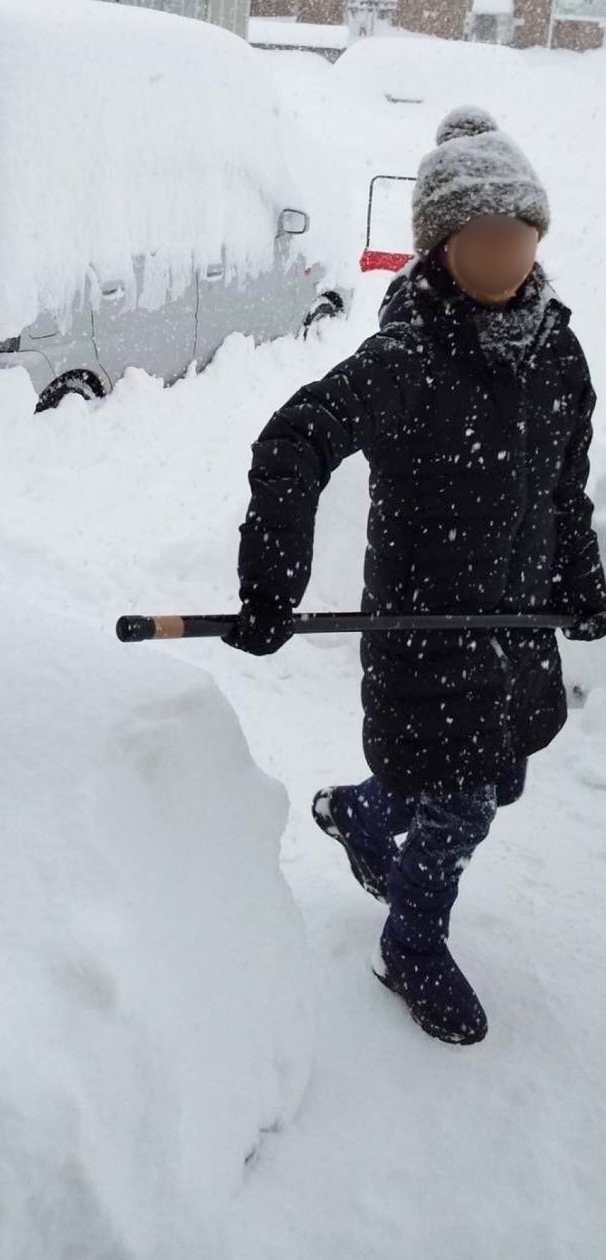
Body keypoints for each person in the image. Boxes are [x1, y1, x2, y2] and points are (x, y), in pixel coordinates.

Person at [223, 107, 606, 1046]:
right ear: (442, 246)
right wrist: (272, 584)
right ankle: (412, 942)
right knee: (461, 804)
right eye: (486, 237)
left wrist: (581, 581)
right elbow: (293, 443)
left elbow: (565, 487)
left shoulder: (557, 352)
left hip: (514, 631)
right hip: (425, 634)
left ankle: (360, 812)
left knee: (494, 781)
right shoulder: (408, 357)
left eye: (522, 234)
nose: (507, 255)